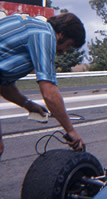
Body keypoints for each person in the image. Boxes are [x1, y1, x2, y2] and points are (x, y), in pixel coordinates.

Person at [0, 13, 86, 160]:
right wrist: (70, 130)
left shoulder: (32, 27)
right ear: (61, 34)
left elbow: (4, 86)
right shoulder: (44, 34)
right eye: (69, 45)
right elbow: (49, 92)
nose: (65, 51)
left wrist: (28, 104)